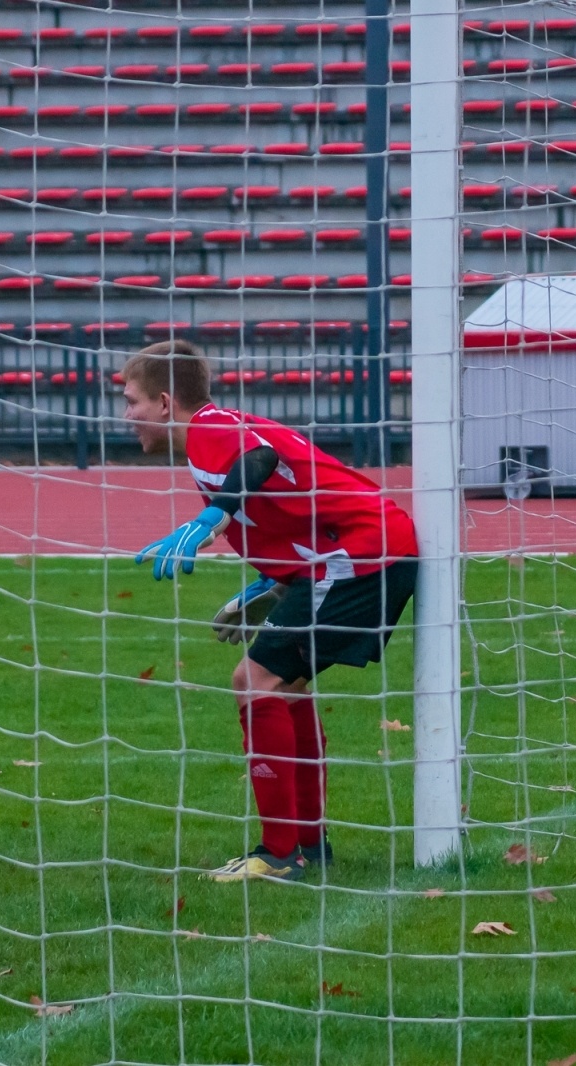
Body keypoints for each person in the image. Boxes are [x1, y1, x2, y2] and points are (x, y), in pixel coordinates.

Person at [122, 339, 419, 882]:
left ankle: (279, 853)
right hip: (358, 552)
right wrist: (274, 585)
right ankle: (308, 844)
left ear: (164, 403)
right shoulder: (212, 436)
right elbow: (292, 500)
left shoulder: (210, 428)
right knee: (286, 687)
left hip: (361, 554)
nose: (126, 415)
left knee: (253, 680)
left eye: (131, 401)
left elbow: (259, 460)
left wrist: (210, 518)